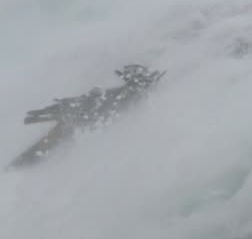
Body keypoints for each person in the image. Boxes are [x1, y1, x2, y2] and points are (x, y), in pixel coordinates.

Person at [9, 64, 165, 169]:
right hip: (77, 124)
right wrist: (42, 113)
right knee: (47, 145)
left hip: (81, 126)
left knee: (55, 140)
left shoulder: (121, 96)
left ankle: (21, 166)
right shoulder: (114, 96)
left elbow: (81, 104)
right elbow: (79, 104)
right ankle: (19, 167)